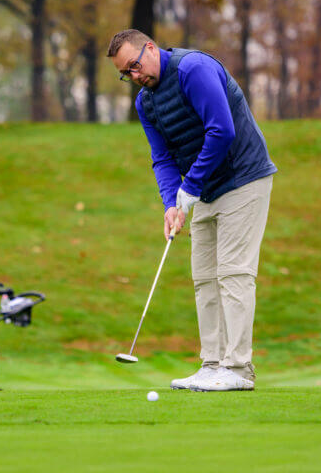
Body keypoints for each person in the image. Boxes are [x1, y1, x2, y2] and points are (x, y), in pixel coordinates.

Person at [107, 29, 277, 392]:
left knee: (233, 273)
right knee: (204, 278)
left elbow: (222, 131)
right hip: (205, 190)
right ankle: (212, 364)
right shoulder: (145, 103)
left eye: (135, 66)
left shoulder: (193, 69)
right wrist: (171, 203)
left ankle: (238, 368)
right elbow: (162, 158)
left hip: (244, 177)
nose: (134, 77)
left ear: (150, 48)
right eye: (126, 73)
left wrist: (190, 186)